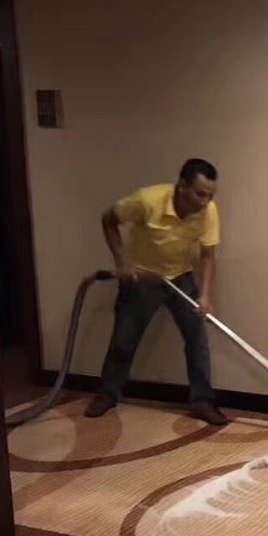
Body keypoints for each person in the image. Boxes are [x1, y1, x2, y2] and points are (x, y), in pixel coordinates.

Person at [85, 159, 228, 427]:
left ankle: (202, 402)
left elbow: (208, 256)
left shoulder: (208, 211)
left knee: (197, 341)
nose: (206, 201)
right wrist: (122, 263)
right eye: (200, 194)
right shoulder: (147, 200)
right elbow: (108, 220)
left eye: (211, 195)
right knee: (124, 341)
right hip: (142, 278)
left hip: (181, 278)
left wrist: (205, 296)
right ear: (182, 186)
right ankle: (107, 395)